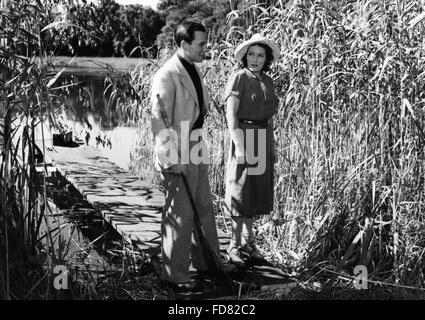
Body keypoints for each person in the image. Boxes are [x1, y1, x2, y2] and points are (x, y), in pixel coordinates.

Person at [150, 21, 221, 290]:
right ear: (184, 44)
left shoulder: (193, 69)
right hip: (178, 149)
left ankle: (207, 265)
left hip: (195, 143)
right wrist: (170, 159)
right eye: (201, 43)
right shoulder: (167, 75)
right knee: (179, 213)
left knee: (203, 205)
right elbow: (159, 120)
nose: (206, 48)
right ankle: (174, 274)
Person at [224, 33, 280, 267]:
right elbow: (231, 116)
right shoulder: (239, 78)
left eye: (260, 55)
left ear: (266, 59)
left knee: (255, 192)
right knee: (240, 191)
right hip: (244, 135)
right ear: (244, 56)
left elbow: (270, 118)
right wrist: (239, 145)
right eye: (251, 54)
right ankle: (234, 246)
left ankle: (249, 244)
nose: (255, 59)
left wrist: (272, 146)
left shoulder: (267, 81)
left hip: (262, 136)